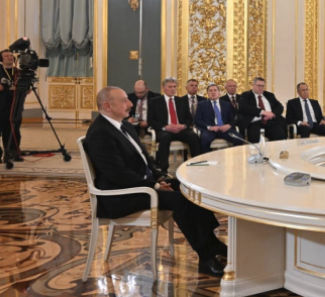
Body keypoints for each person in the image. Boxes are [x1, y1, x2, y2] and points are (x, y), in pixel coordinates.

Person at [84, 87, 227, 277]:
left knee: (190, 188)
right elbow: (118, 175)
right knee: (180, 201)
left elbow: (144, 160)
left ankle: (212, 242)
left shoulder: (124, 125)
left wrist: (159, 177)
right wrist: (155, 186)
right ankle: (206, 257)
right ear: (108, 106)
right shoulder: (100, 133)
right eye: (125, 100)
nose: (130, 104)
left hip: (139, 184)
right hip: (120, 195)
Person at [147, 77, 201, 171]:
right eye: (170, 87)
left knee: (193, 136)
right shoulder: (154, 101)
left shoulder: (182, 101)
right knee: (165, 137)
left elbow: (189, 118)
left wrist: (183, 126)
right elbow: (151, 120)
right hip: (165, 130)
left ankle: (197, 164)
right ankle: (163, 168)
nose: (173, 89)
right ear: (164, 88)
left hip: (180, 129)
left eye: (174, 86)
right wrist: (165, 127)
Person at [0, 50, 25, 166]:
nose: (9, 57)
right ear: (1, 59)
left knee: (13, 131)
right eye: (6, 56)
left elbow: (25, 88)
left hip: (14, 106)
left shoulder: (19, 72)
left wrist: (24, 89)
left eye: (11, 55)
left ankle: (12, 153)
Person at [195, 84, 243, 153]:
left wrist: (228, 125)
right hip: (209, 130)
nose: (213, 92)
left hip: (224, 129)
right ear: (207, 93)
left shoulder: (227, 104)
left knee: (239, 138)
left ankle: (233, 157)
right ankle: (208, 158)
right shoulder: (201, 104)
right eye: (210, 91)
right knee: (205, 140)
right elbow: (198, 120)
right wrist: (209, 127)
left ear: (219, 92)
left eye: (215, 90)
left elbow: (233, 119)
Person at [238, 77, 286, 143]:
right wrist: (262, 112)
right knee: (255, 140)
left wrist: (272, 114)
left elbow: (280, 107)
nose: (260, 88)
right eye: (259, 85)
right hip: (255, 123)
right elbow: (243, 107)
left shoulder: (269, 95)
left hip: (270, 122)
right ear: (253, 85)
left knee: (281, 137)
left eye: (263, 86)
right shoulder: (246, 95)